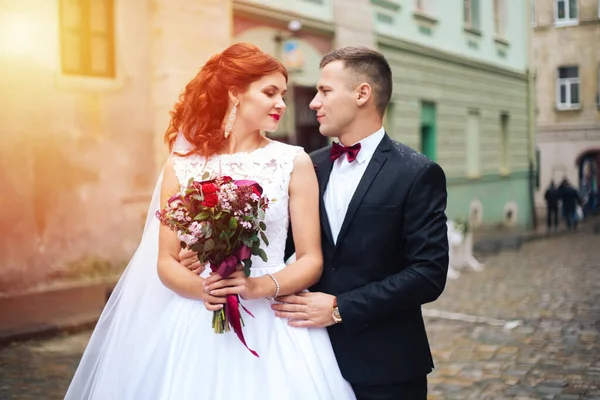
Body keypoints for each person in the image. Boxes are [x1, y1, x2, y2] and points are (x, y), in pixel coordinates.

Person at [65, 43, 355, 400]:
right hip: (198, 318)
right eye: (269, 92)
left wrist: (256, 287)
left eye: (282, 93)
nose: (281, 103)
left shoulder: (293, 161)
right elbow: (166, 261)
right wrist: (203, 289)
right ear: (234, 93)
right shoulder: (181, 165)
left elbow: (311, 260)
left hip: (274, 323)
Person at [273, 47, 449, 399]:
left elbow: (428, 275)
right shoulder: (308, 166)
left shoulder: (416, 173)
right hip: (310, 360)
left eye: (325, 91)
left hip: (388, 365)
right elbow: (282, 244)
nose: (313, 102)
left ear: (362, 94)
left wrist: (340, 308)